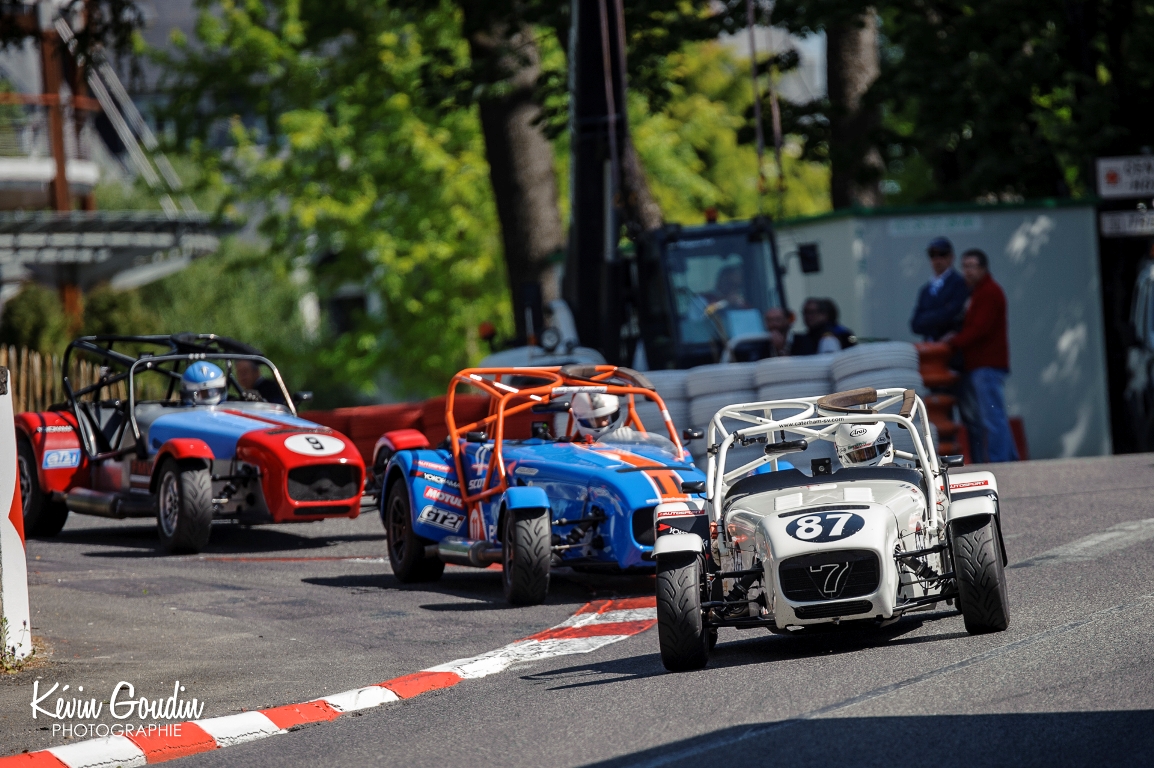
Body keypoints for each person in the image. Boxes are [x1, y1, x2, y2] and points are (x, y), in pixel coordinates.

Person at [943, 249, 1018, 463]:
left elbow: (979, 329)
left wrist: (952, 341)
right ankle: (1009, 459)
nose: (967, 271)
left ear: (983, 268)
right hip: (984, 364)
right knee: (996, 415)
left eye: (972, 266)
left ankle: (1000, 462)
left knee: (991, 417)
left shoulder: (988, 292)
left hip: (987, 364)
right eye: (965, 266)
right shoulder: (978, 292)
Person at [910, 236, 970, 341]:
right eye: (932, 255)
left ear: (951, 257)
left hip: (952, 350)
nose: (937, 260)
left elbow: (954, 316)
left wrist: (926, 319)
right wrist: (938, 316)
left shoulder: (959, 283)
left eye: (942, 254)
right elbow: (915, 325)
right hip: (931, 349)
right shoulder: (926, 290)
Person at [791, 298, 856, 355]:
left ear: (824, 314)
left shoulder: (844, 334)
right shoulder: (803, 339)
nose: (807, 316)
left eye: (811, 312)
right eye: (805, 312)